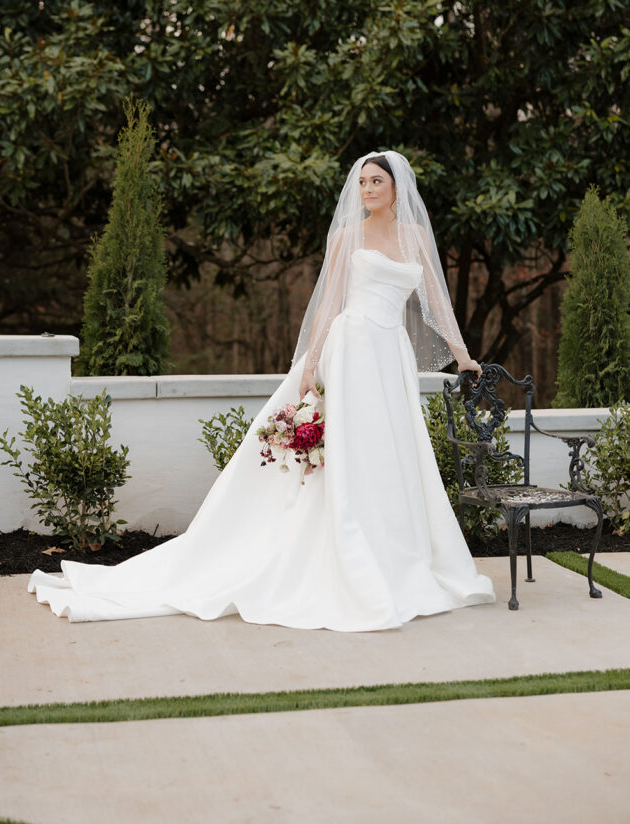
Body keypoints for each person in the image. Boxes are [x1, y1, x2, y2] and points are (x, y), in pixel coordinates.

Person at [29, 150, 496, 628]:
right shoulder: (346, 236)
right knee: (346, 452)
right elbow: (328, 304)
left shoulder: (415, 236)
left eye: (377, 181)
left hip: (390, 355)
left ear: (398, 187)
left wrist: (461, 356)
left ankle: (393, 554)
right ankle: (337, 553)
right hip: (351, 350)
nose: (368, 190)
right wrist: (312, 365)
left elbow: (436, 300)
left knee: (389, 452)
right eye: (362, 183)